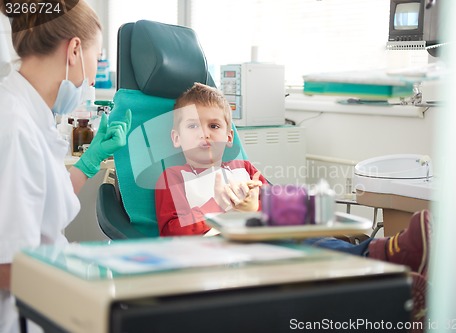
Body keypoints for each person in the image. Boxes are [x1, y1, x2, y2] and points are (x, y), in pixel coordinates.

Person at [0, 1, 131, 332]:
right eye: (96, 58)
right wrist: (85, 277)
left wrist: (90, 161)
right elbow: (7, 265)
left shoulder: (29, 114)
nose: (92, 74)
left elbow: (42, 202)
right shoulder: (15, 126)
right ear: (74, 49)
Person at [155, 83, 267, 236]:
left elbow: (281, 211)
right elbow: (171, 232)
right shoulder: (173, 178)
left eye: (214, 126)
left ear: (229, 137)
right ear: (177, 138)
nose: (204, 133)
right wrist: (217, 205)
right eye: (193, 125)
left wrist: (254, 208)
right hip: (206, 254)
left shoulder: (245, 170)